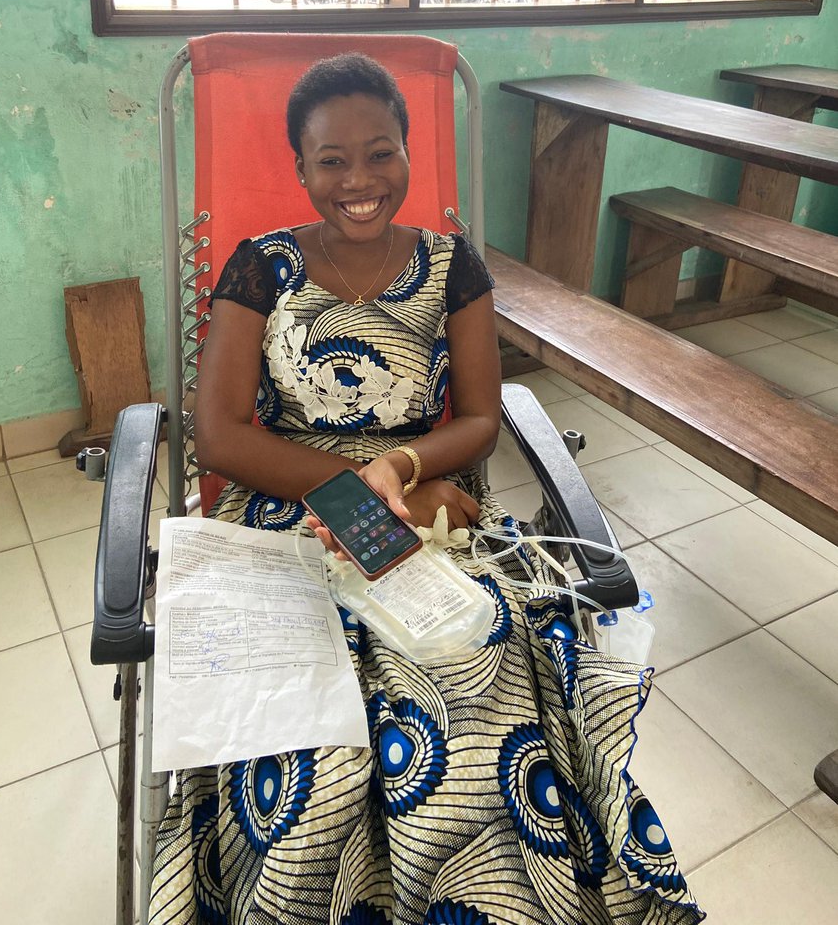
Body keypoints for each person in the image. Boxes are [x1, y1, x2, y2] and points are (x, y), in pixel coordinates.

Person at [149, 54, 703, 924]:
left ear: (409, 154)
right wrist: (355, 489)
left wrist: (401, 471)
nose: (359, 180)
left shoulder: (455, 267)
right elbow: (220, 436)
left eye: (381, 153)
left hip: (427, 502)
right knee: (314, 749)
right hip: (281, 499)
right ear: (301, 169)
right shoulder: (262, 267)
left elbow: (482, 416)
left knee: (470, 705)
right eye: (332, 160)